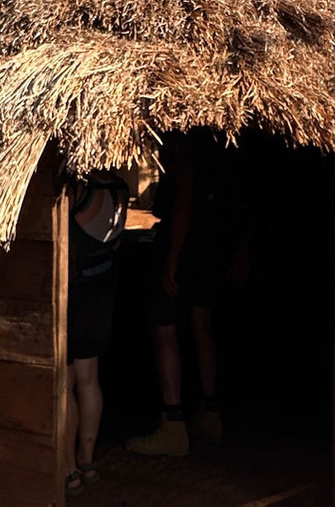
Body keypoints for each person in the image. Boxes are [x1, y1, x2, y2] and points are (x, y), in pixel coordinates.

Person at [127, 132, 241, 457]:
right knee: (201, 323)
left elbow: (184, 200)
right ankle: (210, 412)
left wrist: (173, 256)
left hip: (186, 247)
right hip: (212, 244)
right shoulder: (221, 141)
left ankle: (173, 424)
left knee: (164, 328)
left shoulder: (187, 141)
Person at [65, 169, 129, 495]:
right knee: (89, 379)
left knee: (65, 384)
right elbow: (115, 242)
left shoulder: (78, 190)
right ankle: (87, 462)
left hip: (74, 295)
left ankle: (68, 469)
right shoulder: (120, 187)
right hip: (101, 292)